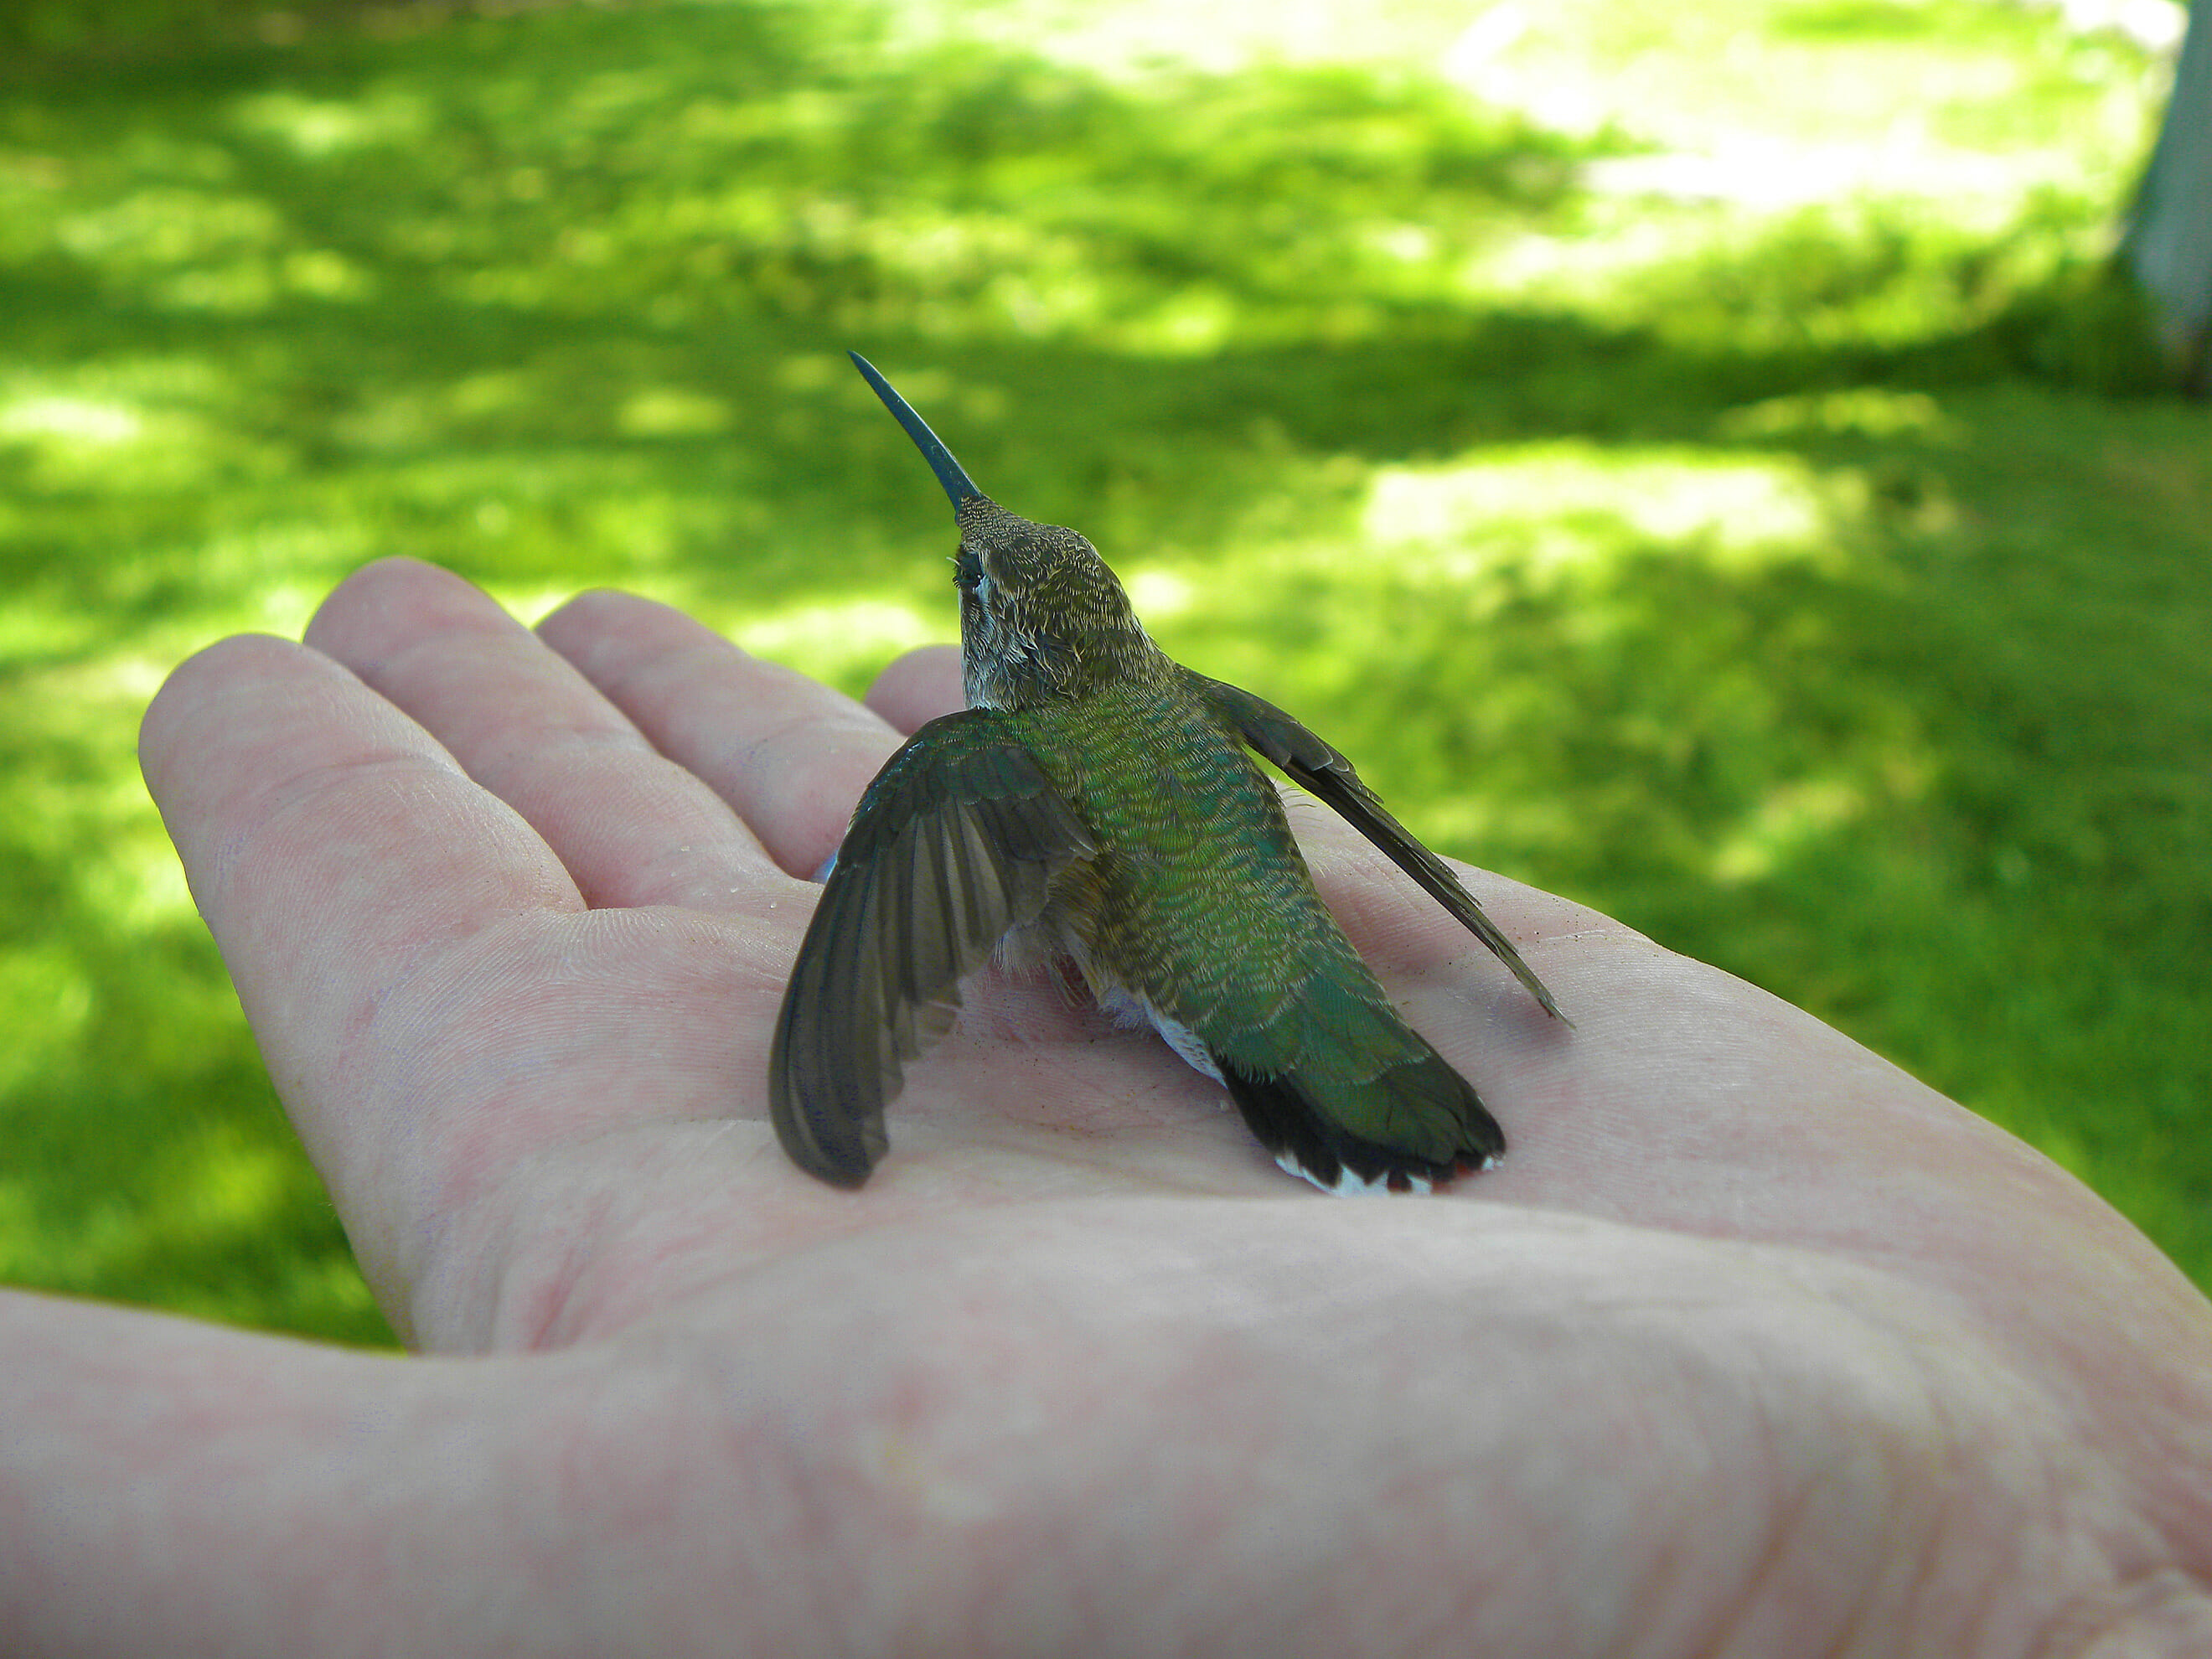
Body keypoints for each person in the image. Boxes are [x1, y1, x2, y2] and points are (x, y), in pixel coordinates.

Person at [5, 556, 2207, 1657]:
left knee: (1180, 979)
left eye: (981, 594)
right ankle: (1330, 1072)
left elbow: (898, 899)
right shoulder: (1177, 709)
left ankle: (1283, 1075)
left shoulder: (977, 766)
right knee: (1269, 996)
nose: (970, 604)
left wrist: (847, 1051)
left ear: (1010, 652)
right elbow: (1341, 807)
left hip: (1233, 1010)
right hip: (1337, 1002)